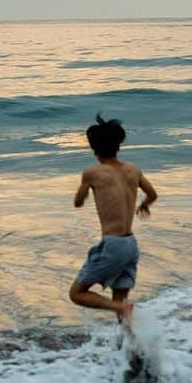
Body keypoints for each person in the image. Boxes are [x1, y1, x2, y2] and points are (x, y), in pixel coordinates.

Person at [69, 114, 157, 324]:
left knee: (77, 293)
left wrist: (84, 189)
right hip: (130, 244)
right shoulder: (133, 170)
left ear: (93, 148)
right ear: (119, 145)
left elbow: (78, 203)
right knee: (123, 312)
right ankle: (131, 350)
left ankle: (119, 307)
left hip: (113, 245)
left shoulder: (92, 173)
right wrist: (143, 205)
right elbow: (152, 194)